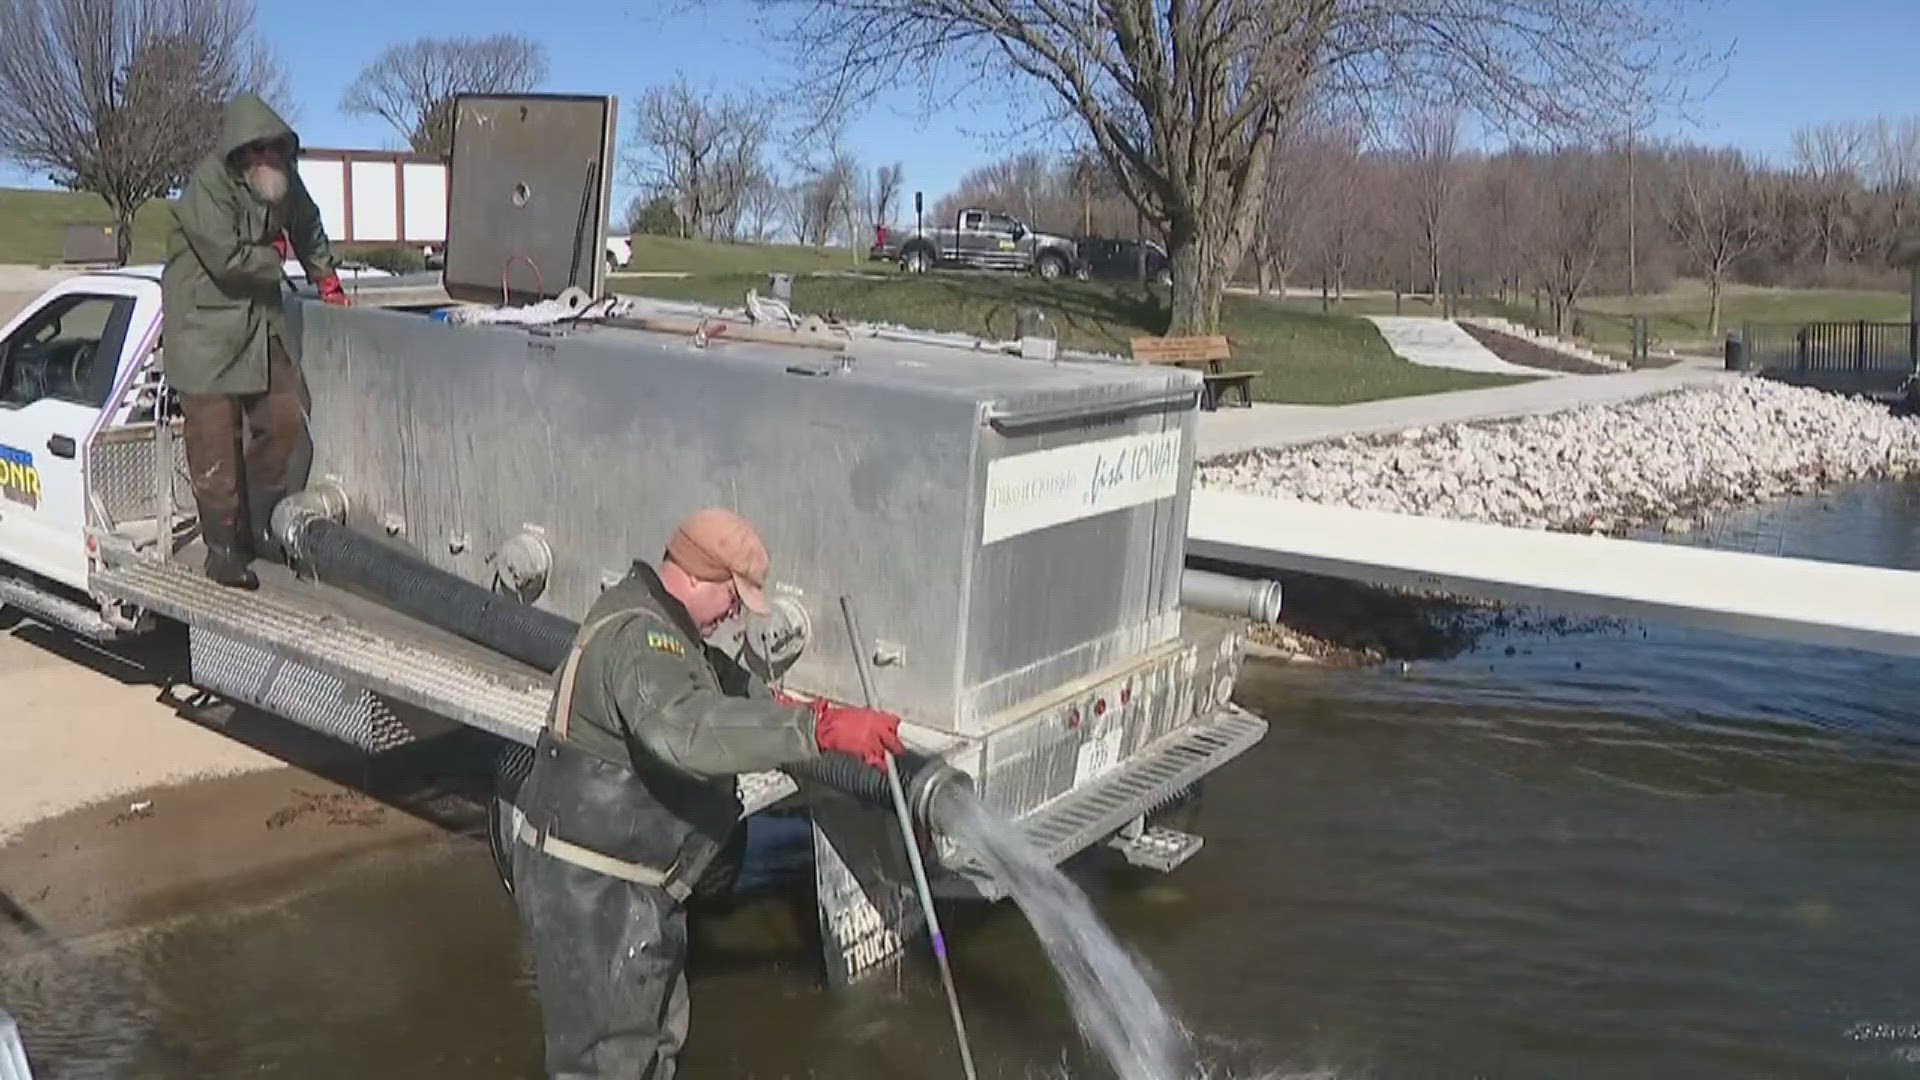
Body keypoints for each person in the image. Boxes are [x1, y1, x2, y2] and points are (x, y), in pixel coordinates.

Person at [511, 506, 904, 1078]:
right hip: (593, 891)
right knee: (606, 1062)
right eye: (733, 597)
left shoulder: (666, 627)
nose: (736, 614)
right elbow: (688, 730)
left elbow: (727, 686)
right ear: (695, 575)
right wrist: (814, 733)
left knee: (654, 1043)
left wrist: (815, 714)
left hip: (638, 884)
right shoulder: (642, 640)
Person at [161, 91, 349, 591]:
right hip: (204, 331)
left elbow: (308, 226)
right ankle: (222, 548)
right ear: (239, 152)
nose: (268, 158)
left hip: (258, 325)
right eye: (258, 149)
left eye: (276, 148)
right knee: (214, 443)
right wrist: (276, 257)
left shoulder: (285, 180)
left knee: (284, 418)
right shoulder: (208, 185)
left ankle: (259, 519)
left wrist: (327, 282)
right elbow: (226, 259)